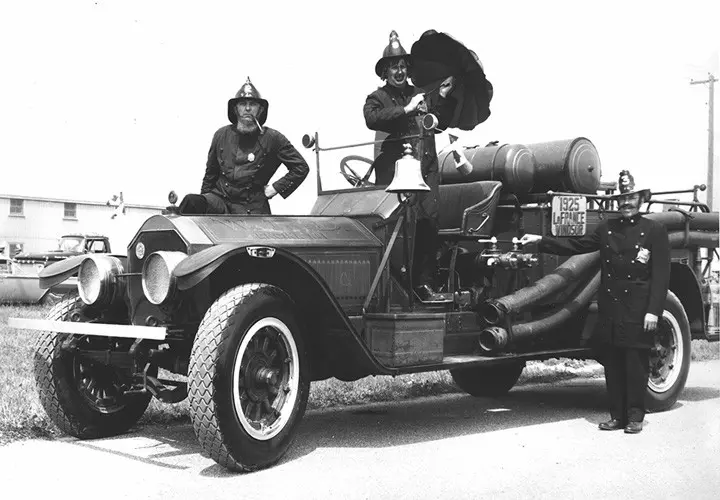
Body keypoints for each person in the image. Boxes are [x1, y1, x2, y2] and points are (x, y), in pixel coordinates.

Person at [519, 170, 671, 434]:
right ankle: (617, 416)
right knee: (613, 364)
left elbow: (661, 276)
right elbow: (576, 245)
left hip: (638, 309)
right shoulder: (607, 228)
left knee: (635, 364)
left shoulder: (655, 230)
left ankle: (635, 417)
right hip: (611, 308)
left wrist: (653, 312)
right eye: (622, 199)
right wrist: (541, 241)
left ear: (641, 200)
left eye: (631, 198)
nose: (626, 203)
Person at [363, 30, 456, 301]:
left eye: (403, 66)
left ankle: (423, 285)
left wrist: (444, 97)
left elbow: (441, 121)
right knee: (396, 227)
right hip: (397, 174)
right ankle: (392, 286)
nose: (400, 71)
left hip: (426, 169)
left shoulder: (420, 94)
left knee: (428, 224)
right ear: (385, 72)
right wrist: (406, 110)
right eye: (394, 66)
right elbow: (372, 118)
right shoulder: (377, 97)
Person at [179, 77, 309, 215]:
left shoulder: (273, 138)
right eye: (242, 104)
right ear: (235, 109)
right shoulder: (221, 134)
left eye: (252, 104)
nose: (247, 108)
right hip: (220, 200)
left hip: (250, 207)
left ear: (260, 109)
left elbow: (301, 167)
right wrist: (203, 207)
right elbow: (210, 175)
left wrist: (275, 188)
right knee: (192, 202)